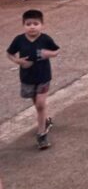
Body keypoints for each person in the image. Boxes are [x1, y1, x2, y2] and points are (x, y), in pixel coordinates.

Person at [6, 10, 60, 149]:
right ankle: (45, 120)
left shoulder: (45, 39)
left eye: (35, 23)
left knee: (41, 104)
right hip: (27, 78)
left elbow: (56, 51)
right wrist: (18, 61)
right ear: (23, 25)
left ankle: (41, 135)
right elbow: (9, 53)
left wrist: (48, 54)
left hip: (43, 77)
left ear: (42, 25)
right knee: (37, 104)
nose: (32, 27)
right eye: (28, 24)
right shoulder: (19, 40)